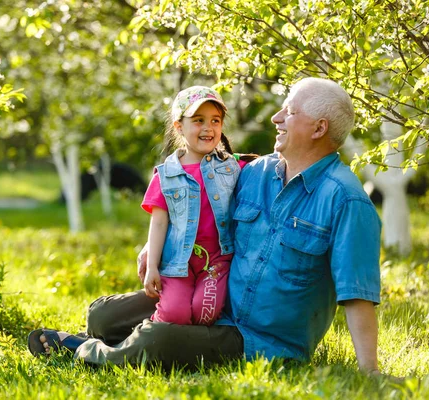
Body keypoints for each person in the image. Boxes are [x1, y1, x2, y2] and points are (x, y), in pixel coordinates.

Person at [27, 77, 382, 375]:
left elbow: (358, 293)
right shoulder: (255, 172)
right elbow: (201, 202)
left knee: (157, 341)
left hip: (260, 339)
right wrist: (156, 245)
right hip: (214, 297)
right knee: (103, 315)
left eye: (289, 111)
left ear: (319, 128)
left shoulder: (346, 201)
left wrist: (370, 372)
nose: (276, 118)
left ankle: (85, 351)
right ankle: (110, 336)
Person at [141, 85, 251, 325]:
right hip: (177, 262)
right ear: (179, 126)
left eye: (215, 120)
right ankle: (150, 336)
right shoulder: (166, 175)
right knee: (174, 315)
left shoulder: (233, 167)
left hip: (217, 260)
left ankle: (199, 351)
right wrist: (152, 266)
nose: (208, 128)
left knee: (205, 313)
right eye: (198, 120)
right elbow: (159, 223)